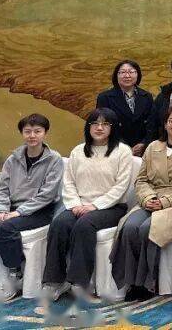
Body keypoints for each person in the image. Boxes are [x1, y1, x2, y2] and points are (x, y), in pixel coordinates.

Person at [110, 105, 172, 300]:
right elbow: (141, 180)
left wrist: (165, 201)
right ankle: (131, 282)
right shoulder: (153, 147)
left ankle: (147, 283)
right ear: (165, 124)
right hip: (150, 199)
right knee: (129, 226)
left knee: (148, 228)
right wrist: (148, 198)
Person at [42, 108, 134, 303]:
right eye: (95, 123)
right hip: (79, 205)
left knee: (84, 225)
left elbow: (121, 186)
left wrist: (95, 205)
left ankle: (79, 283)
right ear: (88, 127)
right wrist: (75, 204)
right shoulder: (78, 151)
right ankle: (54, 282)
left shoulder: (123, 151)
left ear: (113, 128)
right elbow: (68, 182)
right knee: (59, 224)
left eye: (105, 124)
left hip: (111, 207)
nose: (99, 128)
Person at [0, 114, 63, 304]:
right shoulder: (13, 159)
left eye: (37, 131)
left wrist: (19, 212)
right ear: (22, 133)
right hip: (11, 208)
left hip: (40, 210)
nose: (32, 135)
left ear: (45, 133)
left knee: (5, 228)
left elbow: (47, 194)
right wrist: (0, 210)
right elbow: (1, 189)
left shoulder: (54, 159)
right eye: (27, 131)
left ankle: (15, 271)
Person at [97, 60, 154, 157]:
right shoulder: (105, 97)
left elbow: (152, 123)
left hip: (142, 151)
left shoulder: (147, 96)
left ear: (138, 74)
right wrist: (125, 147)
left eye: (131, 72)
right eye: (123, 72)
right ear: (116, 75)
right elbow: (103, 125)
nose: (127, 76)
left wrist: (144, 143)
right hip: (115, 149)